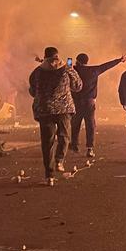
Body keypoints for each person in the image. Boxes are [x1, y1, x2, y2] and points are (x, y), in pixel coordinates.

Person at [28, 47, 83, 184]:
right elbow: (78, 86)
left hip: (45, 110)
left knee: (47, 142)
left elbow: (33, 91)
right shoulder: (67, 68)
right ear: (57, 56)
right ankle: (59, 161)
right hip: (64, 109)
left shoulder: (37, 72)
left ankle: (49, 176)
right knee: (64, 136)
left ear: (45, 56)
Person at [72, 52, 125, 159]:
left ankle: (74, 145)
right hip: (89, 102)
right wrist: (119, 60)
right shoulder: (94, 70)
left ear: (77, 61)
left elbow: (64, 67)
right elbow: (106, 65)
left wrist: (70, 62)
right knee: (90, 125)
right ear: (87, 62)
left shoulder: (73, 70)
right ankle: (90, 148)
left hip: (76, 101)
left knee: (75, 123)